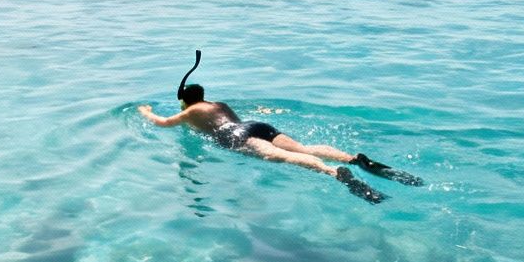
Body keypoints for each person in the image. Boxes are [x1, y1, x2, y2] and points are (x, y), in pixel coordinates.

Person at [138, 55, 422, 201]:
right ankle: (353, 159)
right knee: (304, 148)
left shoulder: (190, 113)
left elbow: (163, 124)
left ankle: (333, 171)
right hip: (254, 125)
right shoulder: (218, 104)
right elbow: (236, 121)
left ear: (185, 101)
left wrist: (147, 111)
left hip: (234, 135)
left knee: (285, 158)